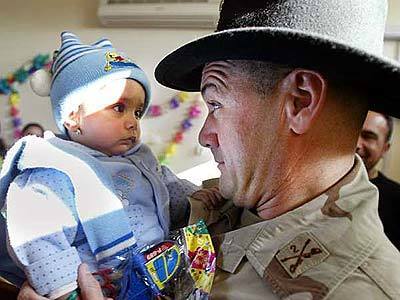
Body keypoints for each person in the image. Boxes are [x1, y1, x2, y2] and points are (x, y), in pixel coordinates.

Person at [19, 0, 400, 299]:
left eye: (215, 104)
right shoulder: (214, 197)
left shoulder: (357, 290)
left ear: (299, 101)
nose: (204, 136)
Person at [0, 32, 221, 299]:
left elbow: (166, 186)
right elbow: (36, 233)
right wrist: (63, 289)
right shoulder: (55, 168)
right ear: (74, 116)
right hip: (98, 286)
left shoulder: (140, 160)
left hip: (154, 277)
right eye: (119, 108)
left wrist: (195, 196)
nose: (133, 122)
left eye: (137, 112)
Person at [357, 111, 400, 250]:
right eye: (353, 132)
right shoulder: (318, 184)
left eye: (368, 137)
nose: (357, 143)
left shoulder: (396, 198)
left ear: (385, 149)